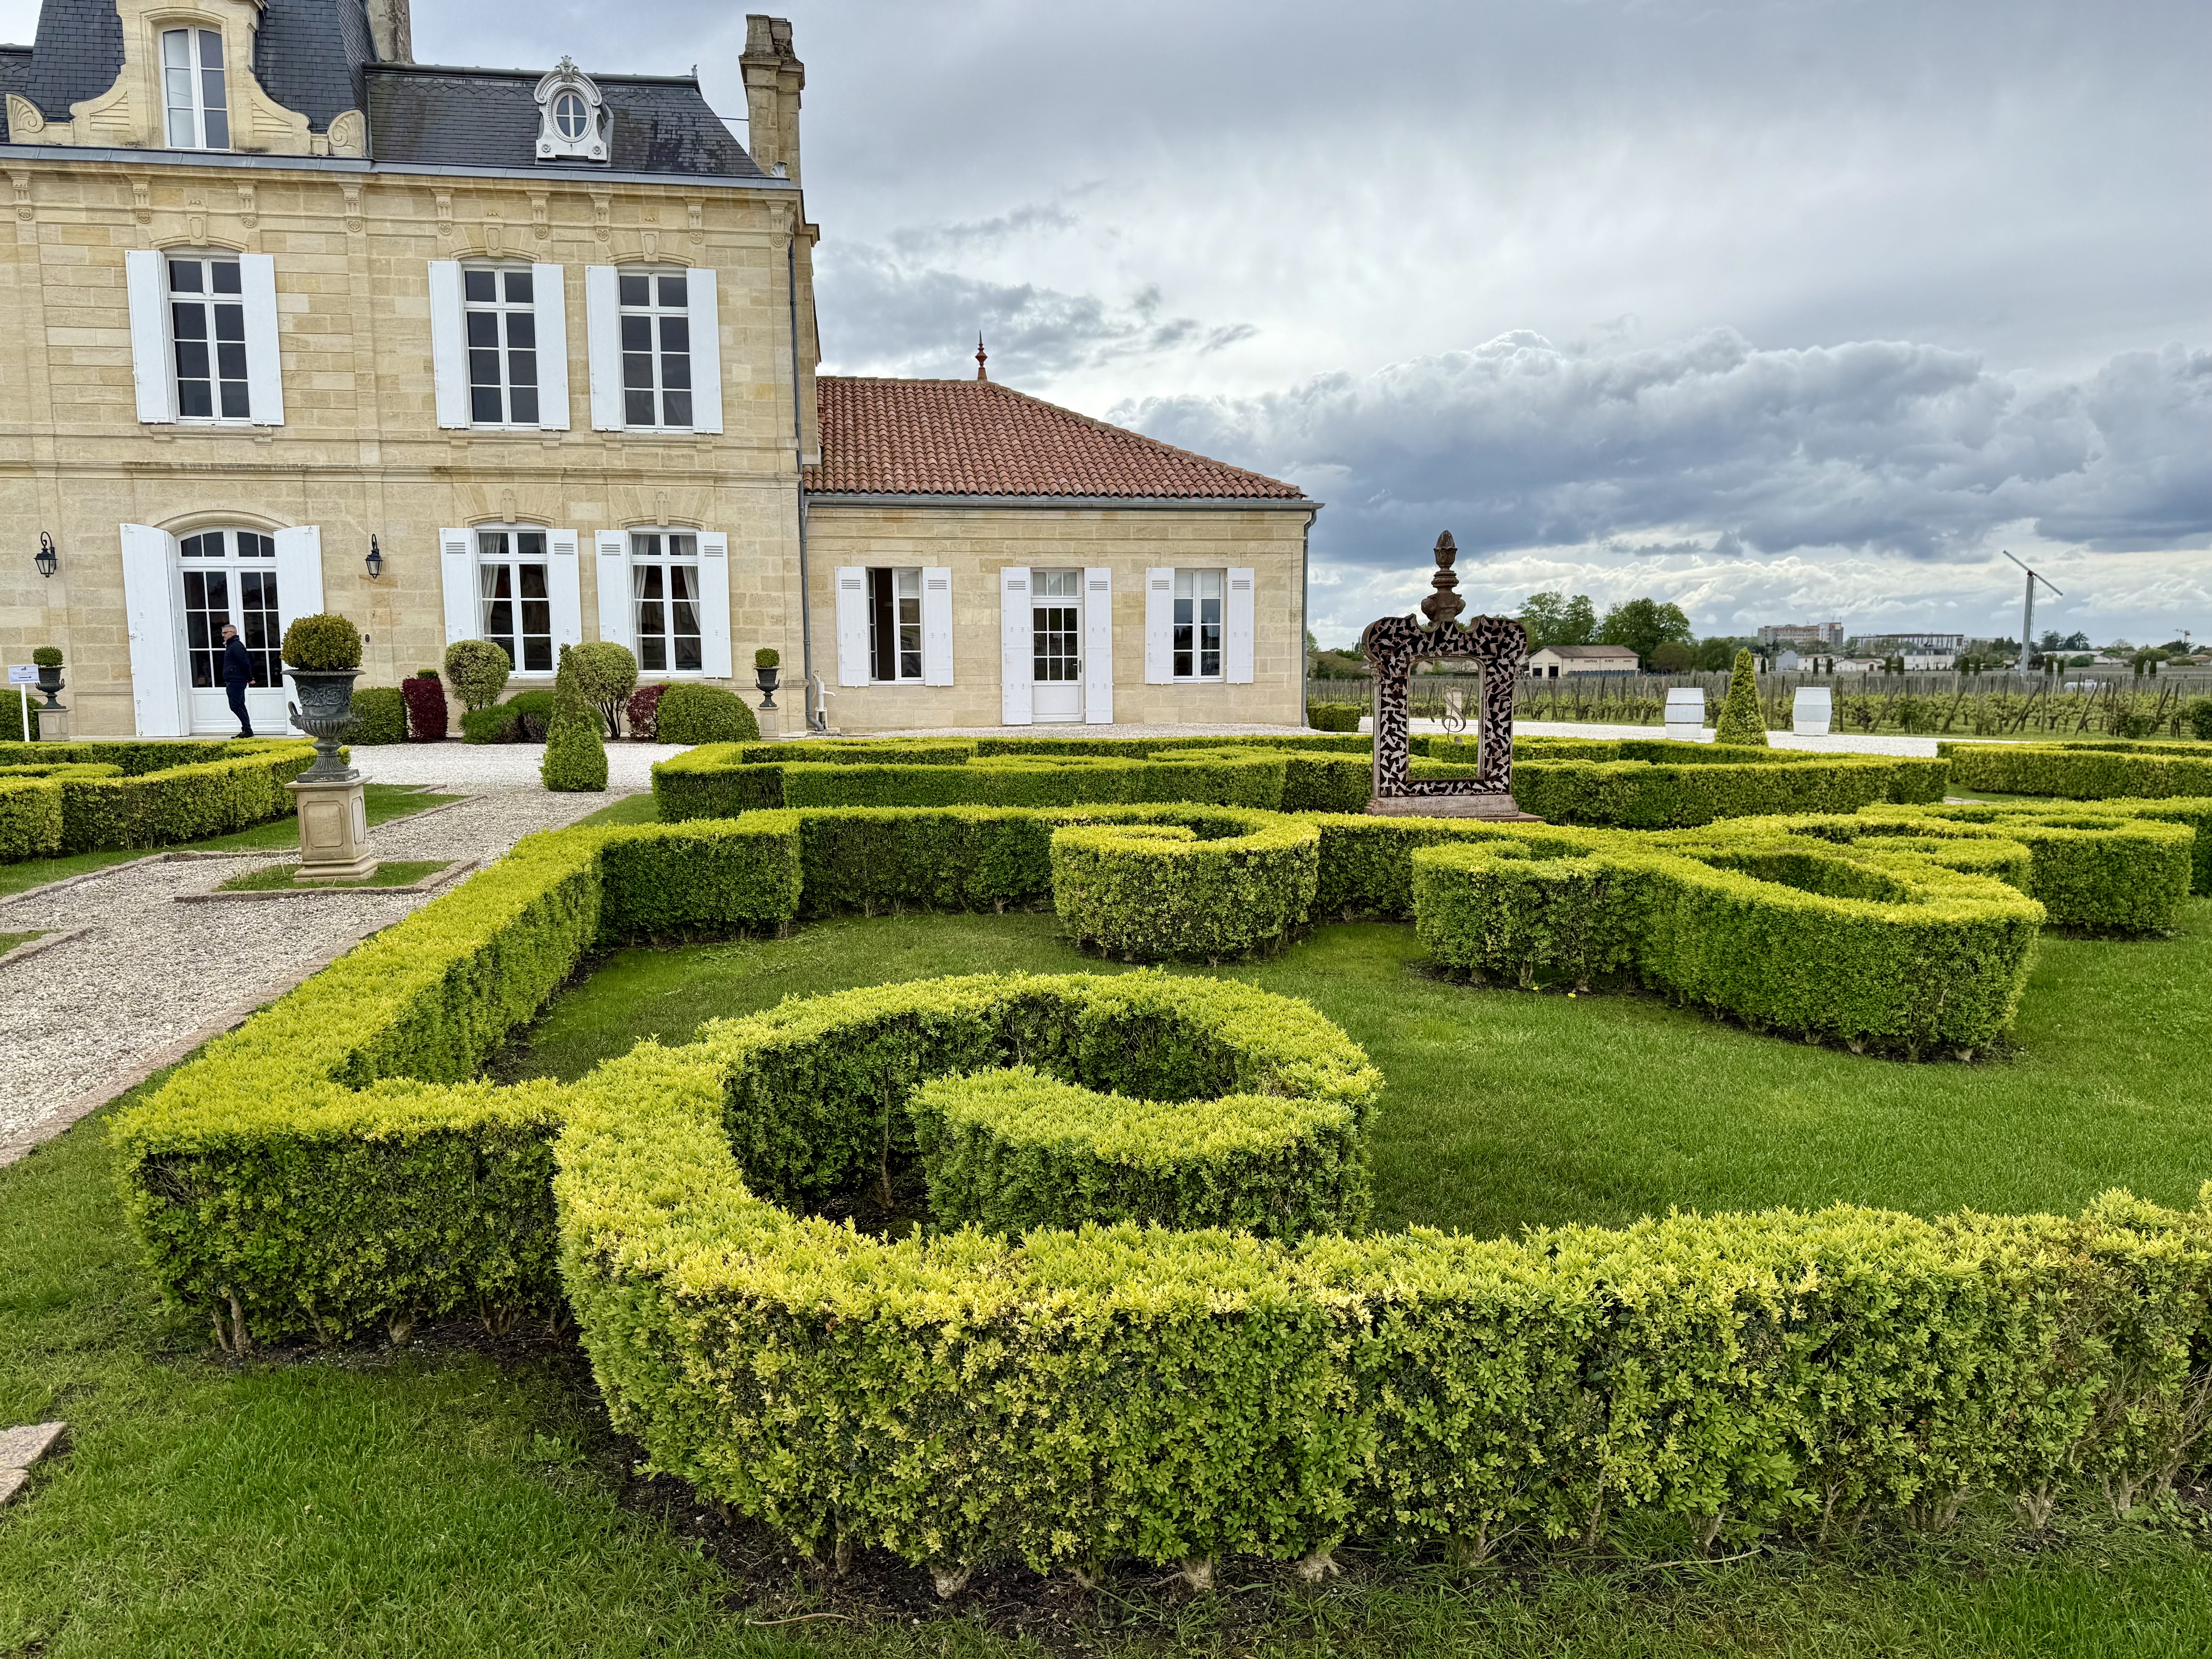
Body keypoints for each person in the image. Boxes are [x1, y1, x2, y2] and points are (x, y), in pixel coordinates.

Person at [220, 623, 256, 738]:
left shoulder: (236, 646)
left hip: (236, 680)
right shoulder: (232, 646)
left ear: (234, 633)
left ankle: (248, 730)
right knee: (240, 705)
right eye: (223, 633)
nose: (223, 635)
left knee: (235, 706)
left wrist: (250, 678)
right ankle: (247, 730)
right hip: (234, 679)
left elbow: (245, 663)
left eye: (226, 633)